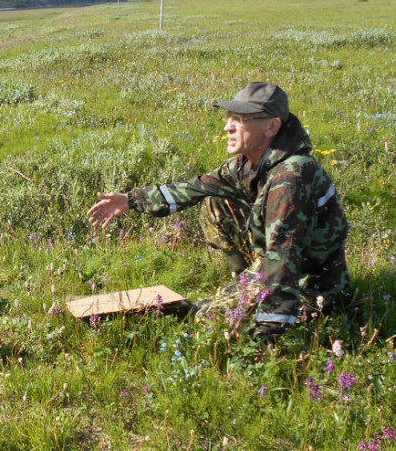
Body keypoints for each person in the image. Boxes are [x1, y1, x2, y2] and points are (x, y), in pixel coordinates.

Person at [87, 82, 349, 339]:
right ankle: (244, 283)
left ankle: (272, 305)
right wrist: (131, 200)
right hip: (278, 264)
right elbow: (195, 188)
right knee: (215, 199)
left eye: (240, 119)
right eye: (229, 117)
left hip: (308, 285)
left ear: (272, 126)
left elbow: (284, 255)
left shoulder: (291, 178)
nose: (228, 126)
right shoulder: (249, 164)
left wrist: (269, 332)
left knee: (207, 319)